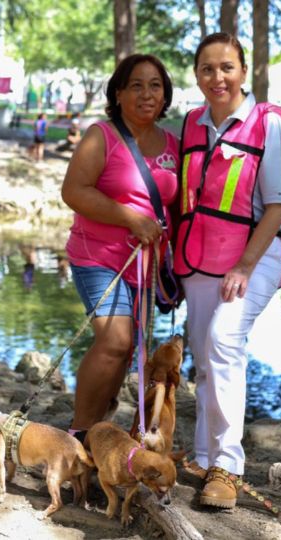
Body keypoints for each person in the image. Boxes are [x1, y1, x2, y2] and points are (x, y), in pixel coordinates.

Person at [175, 32, 281, 509]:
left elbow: (280, 204)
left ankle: (228, 466)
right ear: (197, 76)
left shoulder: (267, 124)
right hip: (203, 257)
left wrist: (246, 266)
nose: (217, 77)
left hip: (256, 256)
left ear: (244, 72)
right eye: (207, 68)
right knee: (205, 359)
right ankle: (204, 458)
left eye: (227, 67)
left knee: (224, 341)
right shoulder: (192, 123)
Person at [60, 54, 179, 447]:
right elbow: (74, 192)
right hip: (98, 257)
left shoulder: (174, 145)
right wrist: (131, 219)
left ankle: (99, 428)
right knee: (113, 341)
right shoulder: (101, 136)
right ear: (119, 93)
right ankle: (78, 434)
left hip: (147, 267)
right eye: (136, 85)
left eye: (155, 85)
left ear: (165, 94)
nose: (147, 94)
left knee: (127, 349)